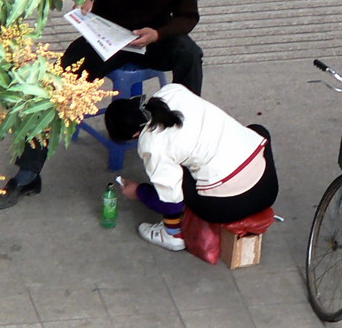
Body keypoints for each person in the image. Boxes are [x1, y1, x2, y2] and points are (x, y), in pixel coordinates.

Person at [0, 0, 203, 210]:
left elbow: (188, 16)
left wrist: (158, 33)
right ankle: (28, 172)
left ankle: (189, 147)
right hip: (106, 37)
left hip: (151, 39)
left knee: (189, 55)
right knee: (57, 84)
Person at [104, 83, 279, 251]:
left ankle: (172, 235)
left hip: (226, 208)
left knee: (176, 182)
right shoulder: (172, 92)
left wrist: (139, 191)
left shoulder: (151, 145)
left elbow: (172, 203)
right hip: (269, 189)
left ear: (134, 135)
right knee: (257, 130)